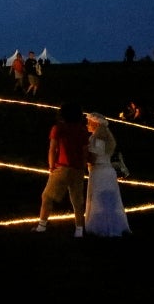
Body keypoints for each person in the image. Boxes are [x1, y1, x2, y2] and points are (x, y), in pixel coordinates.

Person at [31, 101, 88, 237]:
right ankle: (79, 230)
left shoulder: (58, 128)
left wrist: (51, 167)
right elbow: (85, 150)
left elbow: (52, 149)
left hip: (62, 167)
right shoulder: (82, 129)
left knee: (47, 197)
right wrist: (83, 166)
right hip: (77, 169)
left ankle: (42, 226)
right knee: (77, 200)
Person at [84, 112, 131, 237]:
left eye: (89, 122)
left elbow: (94, 157)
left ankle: (102, 227)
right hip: (107, 171)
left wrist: (82, 155)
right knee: (110, 200)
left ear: (96, 124)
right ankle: (113, 224)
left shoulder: (97, 138)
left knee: (101, 200)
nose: (87, 124)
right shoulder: (102, 137)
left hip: (100, 172)